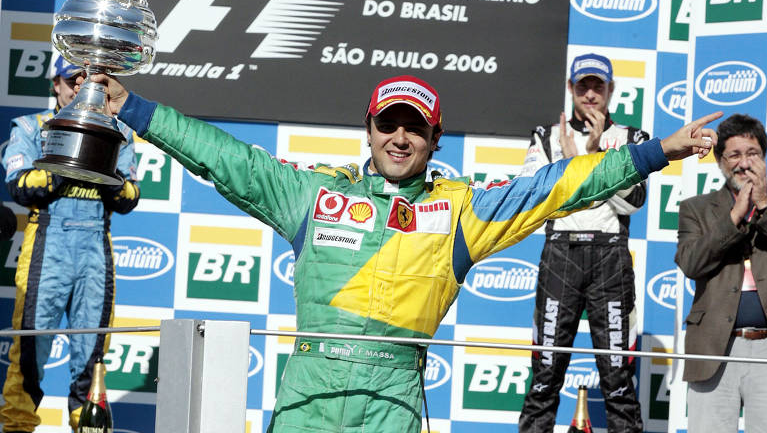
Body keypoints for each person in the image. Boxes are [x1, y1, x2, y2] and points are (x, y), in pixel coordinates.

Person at [87, 71, 717, 433]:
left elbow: (556, 187)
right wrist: (136, 110)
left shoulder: (464, 208)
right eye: (387, 123)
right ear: (368, 128)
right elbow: (228, 160)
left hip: (393, 396)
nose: (398, 137)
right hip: (309, 391)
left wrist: (655, 151)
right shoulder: (314, 193)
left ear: (434, 138)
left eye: (414, 127)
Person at [0, 57, 140, 433]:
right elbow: (22, 187)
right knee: (28, 353)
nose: (79, 86)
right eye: (70, 79)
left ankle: (87, 426)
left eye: (84, 79)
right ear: (55, 85)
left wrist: (96, 154)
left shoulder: (115, 133)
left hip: (95, 249)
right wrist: (71, 155)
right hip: (48, 247)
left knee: (92, 356)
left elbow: (128, 198)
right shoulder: (30, 128)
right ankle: (16, 427)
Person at [518, 53, 646, 433]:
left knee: (619, 382)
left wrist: (593, 160)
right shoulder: (547, 137)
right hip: (561, 254)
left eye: (598, 85)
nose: (590, 94)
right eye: (582, 85)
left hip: (610, 256)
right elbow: (536, 197)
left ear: (611, 90)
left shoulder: (630, 138)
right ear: (571, 89)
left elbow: (635, 202)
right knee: (544, 377)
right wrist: (575, 166)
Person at [675, 113, 767, 433]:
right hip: (713, 347)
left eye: (753, 153)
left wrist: (764, 205)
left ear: (764, 158)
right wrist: (733, 219)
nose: (744, 163)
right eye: (735, 155)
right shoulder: (695, 209)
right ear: (720, 162)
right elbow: (690, 264)